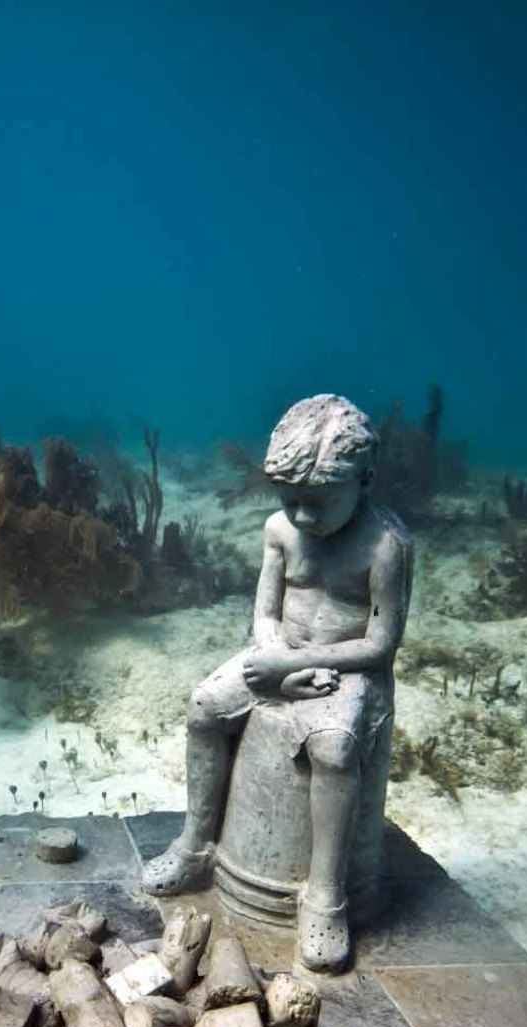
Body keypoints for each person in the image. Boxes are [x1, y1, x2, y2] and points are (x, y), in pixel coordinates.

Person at [142, 394, 413, 972]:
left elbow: (380, 644)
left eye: (319, 504)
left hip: (346, 668)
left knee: (334, 750)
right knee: (204, 708)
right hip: (280, 654)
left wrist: (290, 672)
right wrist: (273, 658)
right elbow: (265, 613)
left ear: (364, 481)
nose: (304, 517)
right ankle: (195, 846)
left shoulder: (386, 544)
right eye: (292, 502)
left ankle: (324, 897)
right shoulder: (279, 530)